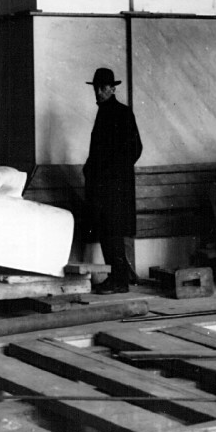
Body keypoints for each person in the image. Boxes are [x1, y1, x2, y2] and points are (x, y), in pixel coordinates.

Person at [83, 66, 142, 294]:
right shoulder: (104, 113)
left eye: (103, 88)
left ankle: (119, 281)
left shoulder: (122, 113)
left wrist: (112, 174)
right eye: (96, 88)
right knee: (107, 232)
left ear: (113, 89)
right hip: (103, 187)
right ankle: (116, 279)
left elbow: (135, 148)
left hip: (115, 188)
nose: (98, 92)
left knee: (113, 232)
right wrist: (90, 169)